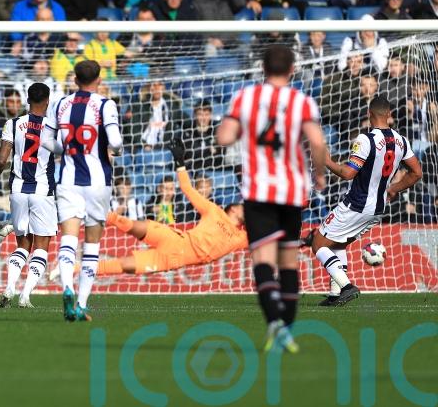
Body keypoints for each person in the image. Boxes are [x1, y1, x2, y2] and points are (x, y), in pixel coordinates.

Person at [216, 44, 327, 353]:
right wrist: (319, 175)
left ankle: (274, 322)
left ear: (262, 69)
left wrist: (241, 129)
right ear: (292, 69)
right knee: (289, 262)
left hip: (257, 191)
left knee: (263, 260)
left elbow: (224, 137)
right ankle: (286, 330)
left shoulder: (246, 97)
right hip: (291, 191)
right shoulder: (302, 101)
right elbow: (317, 143)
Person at [306, 96, 422, 306]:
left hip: (357, 203)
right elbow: (416, 172)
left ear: (369, 114)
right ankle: (335, 294)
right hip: (378, 208)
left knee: (319, 244)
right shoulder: (401, 141)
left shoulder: (366, 139)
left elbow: (348, 173)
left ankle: (347, 286)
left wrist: (327, 161)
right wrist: (393, 189)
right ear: (389, 115)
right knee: (337, 242)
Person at [41, 60, 123, 322]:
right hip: (99, 182)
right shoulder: (105, 104)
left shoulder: (59, 104)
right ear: (99, 80)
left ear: (74, 80)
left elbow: (46, 141)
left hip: (68, 179)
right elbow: (117, 143)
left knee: (68, 239)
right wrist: (113, 152)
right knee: (91, 245)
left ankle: (66, 286)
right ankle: (82, 304)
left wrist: (64, 150)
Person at [96, 144, 246, 276]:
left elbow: (266, 232)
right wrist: (180, 163)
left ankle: (78, 269)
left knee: (124, 265)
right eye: (244, 207)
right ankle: (93, 212)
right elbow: (187, 189)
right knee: (126, 223)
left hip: (171, 259)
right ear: (233, 208)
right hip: (173, 237)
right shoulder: (214, 210)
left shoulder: (240, 238)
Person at [0, 83, 57, 308]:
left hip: (17, 190)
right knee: (41, 246)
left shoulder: (13, 124)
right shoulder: (53, 127)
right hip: (43, 191)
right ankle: (25, 295)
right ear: (47, 101)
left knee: (22, 245)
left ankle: (9, 286)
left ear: (27, 100)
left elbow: (1, 158)